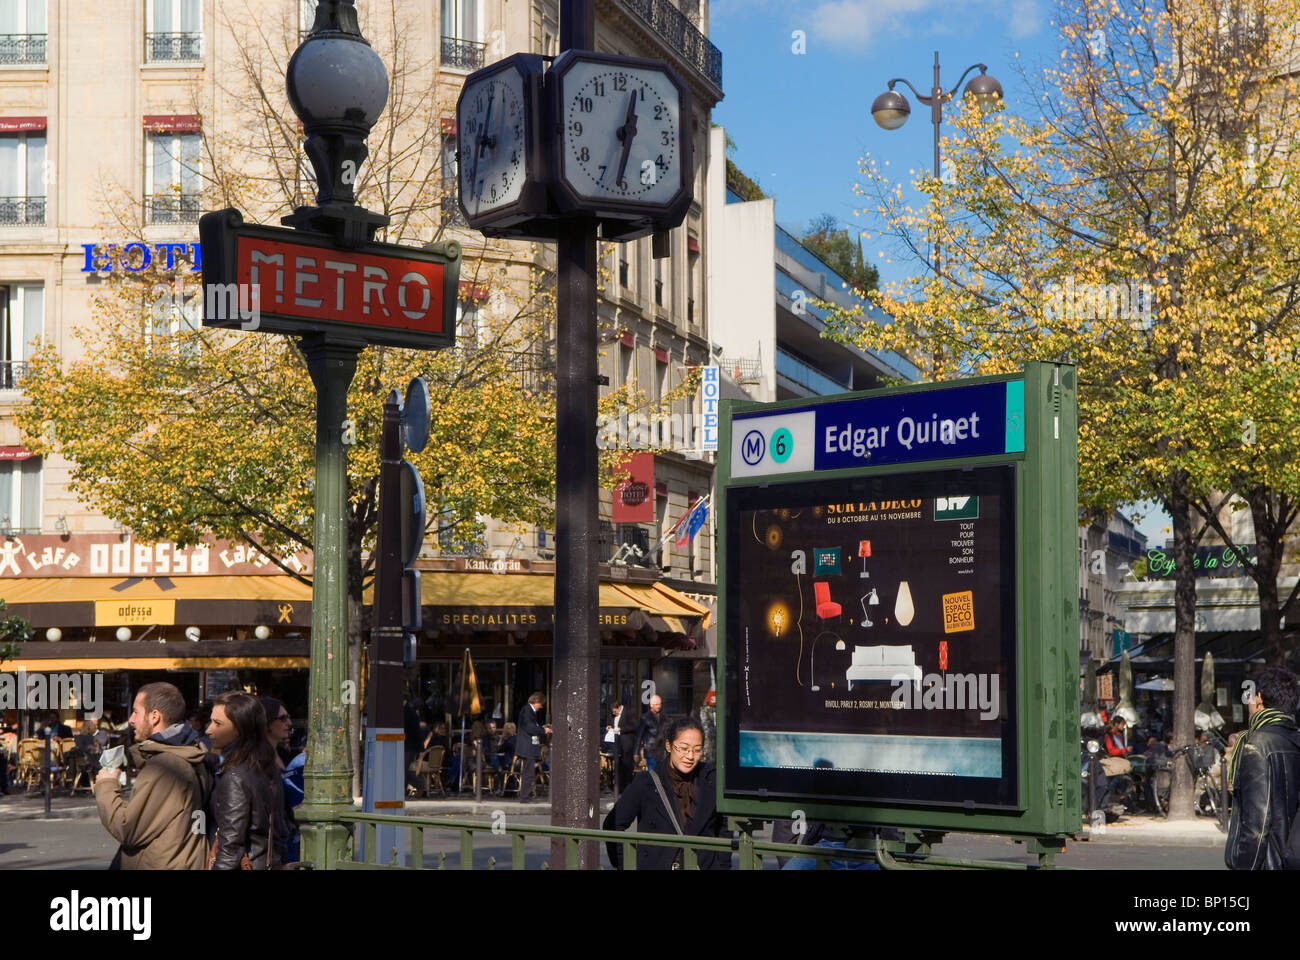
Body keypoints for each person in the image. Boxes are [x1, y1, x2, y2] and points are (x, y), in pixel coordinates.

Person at [94, 682, 214, 870]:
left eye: (136, 712)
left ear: (155, 716)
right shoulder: (188, 752)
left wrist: (106, 784)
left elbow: (128, 828)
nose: (131, 719)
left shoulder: (166, 767)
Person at [602, 715, 730, 870]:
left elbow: (724, 826)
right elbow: (613, 824)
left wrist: (721, 865)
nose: (690, 756)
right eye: (683, 748)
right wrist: (626, 864)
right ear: (669, 746)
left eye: (697, 750)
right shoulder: (647, 782)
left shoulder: (711, 779)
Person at [1225, 666, 1300, 870]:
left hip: (1268, 863)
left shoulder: (1257, 744)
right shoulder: (1295, 738)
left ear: (1258, 699)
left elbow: (1257, 826)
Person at [206, 691, 283, 870]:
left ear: (240, 729)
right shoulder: (265, 766)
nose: (209, 730)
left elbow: (230, 848)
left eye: (218, 724)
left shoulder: (235, 776)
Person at [260, 695, 299, 862]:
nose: (289, 724)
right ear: (266, 722)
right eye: (282, 719)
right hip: (270, 846)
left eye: (288, 718)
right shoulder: (257, 761)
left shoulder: (287, 755)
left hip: (289, 840)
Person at [516, 693, 550, 803]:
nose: (541, 707)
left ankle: (526, 795)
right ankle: (525, 797)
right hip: (527, 746)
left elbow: (531, 727)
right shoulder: (527, 711)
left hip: (528, 746)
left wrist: (541, 728)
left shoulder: (528, 711)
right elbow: (530, 728)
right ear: (536, 702)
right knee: (528, 773)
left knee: (529, 772)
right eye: (541, 704)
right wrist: (543, 730)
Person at [612, 701, 637, 795]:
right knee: (620, 766)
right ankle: (621, 788)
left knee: (627, 766)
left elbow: (634, 726)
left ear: (619, 708)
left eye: (615, 712)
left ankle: (628, 788)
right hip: (618, 744)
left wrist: (621, 729)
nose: (614, 713)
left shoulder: (629, 712)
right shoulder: (615, 715)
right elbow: (615, 725)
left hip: (627, 744)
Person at [637, 694, 664, 771]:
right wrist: (636, 752)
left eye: (660, 704)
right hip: (651, 750)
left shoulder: (663, 717)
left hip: (662, 751)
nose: (658, 706)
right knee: (653, 774)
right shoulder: (645, 718)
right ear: (651, 705)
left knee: (662, 773)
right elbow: (639, 735)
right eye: (656, 704)